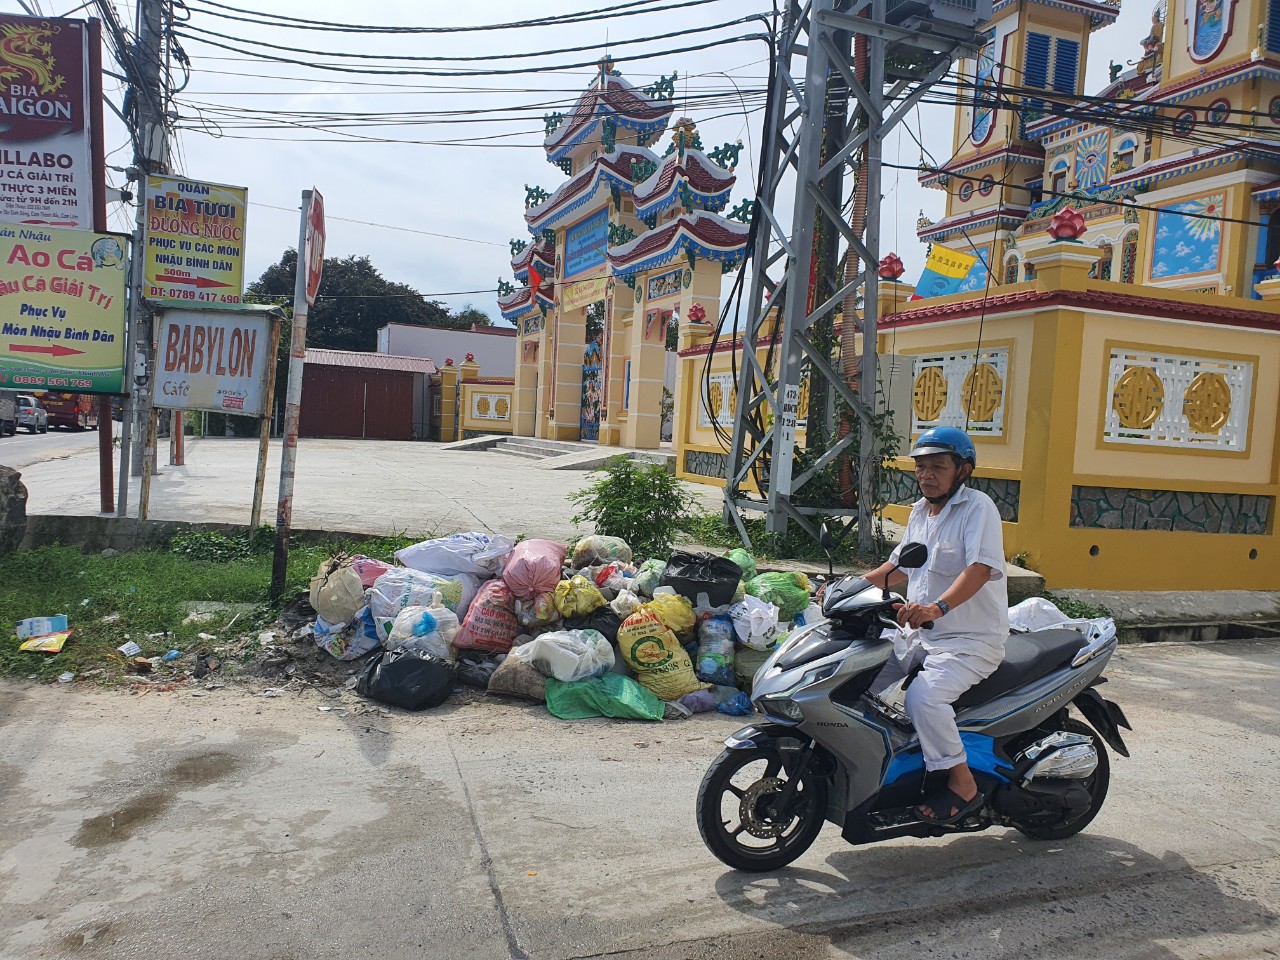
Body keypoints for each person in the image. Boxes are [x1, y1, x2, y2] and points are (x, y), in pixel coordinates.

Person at [863, 426, 1009, 825]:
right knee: (858, 682)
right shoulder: (919, 513)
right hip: (919, 637)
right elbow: (896, 569)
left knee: (922, 699)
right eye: (921, 467)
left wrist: (937, 608)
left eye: (937, 467)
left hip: (969, 641)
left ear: (963, 470)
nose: (926, 475)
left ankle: (962, 785)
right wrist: (844, 589)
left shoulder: (978, 509)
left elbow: (980, 569)